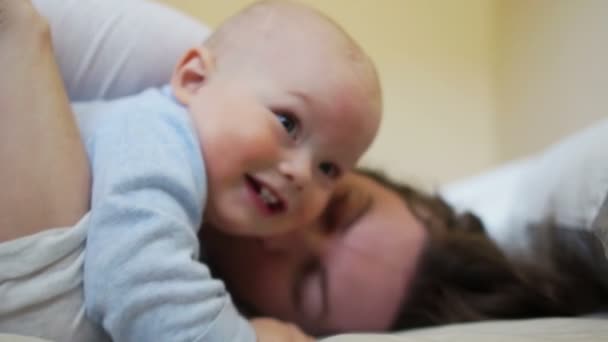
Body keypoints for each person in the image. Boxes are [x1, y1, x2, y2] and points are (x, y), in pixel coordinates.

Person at [3, 0, 608, 340]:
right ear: (192, 77)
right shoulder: (168, 131)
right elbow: (135, 279)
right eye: (341, 205)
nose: (298, 204)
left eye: (307, 281)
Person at [1, 0, 381, 341]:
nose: (301, 173)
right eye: (288, 122)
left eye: (328, 168)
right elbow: (138, 284)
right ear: (193, 79)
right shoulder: (157, 137)